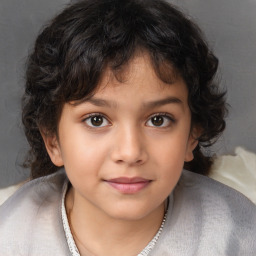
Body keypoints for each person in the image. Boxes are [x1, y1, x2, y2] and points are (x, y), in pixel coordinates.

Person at [0, 0, 255, 255]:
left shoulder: (238, 237)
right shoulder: (12, 236)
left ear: (192, 134)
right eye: (96, 120)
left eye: (158, 120)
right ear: (53, 140)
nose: (130, 152)